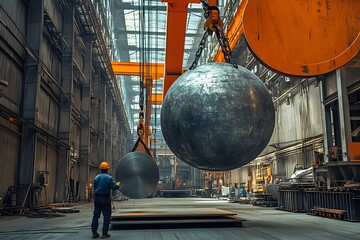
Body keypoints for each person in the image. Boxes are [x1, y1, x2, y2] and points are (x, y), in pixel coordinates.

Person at [91, 161, 120, 239]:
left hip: (97, 198)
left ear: (100, 169)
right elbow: (113, 187)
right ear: (107, 169)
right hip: (105, 198)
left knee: (96, 215)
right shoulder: (109, 178)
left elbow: (94, 186)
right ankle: (104, 233)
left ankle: (94, 233)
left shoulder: (96, 177)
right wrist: (118, 184)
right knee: (106, 216)